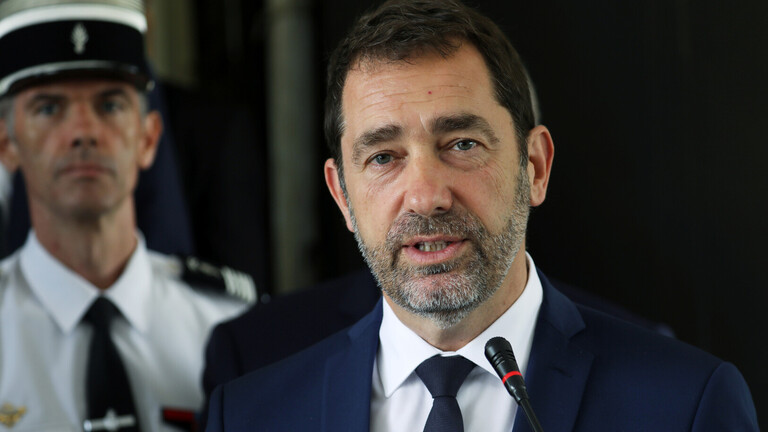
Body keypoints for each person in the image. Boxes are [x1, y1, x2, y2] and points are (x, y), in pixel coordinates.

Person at [205, 0, 758, 430]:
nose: (425, 197)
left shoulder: (686, 404)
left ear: (534, 167)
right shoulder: (252, 416)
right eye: (383, 157)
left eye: (462, 144)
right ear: (343, 196)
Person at [0, 1, 254, 431]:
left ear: (148, 138)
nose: (83, 132)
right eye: (49, 108)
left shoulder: (227, 323)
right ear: (7, 144)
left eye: (110, 106)